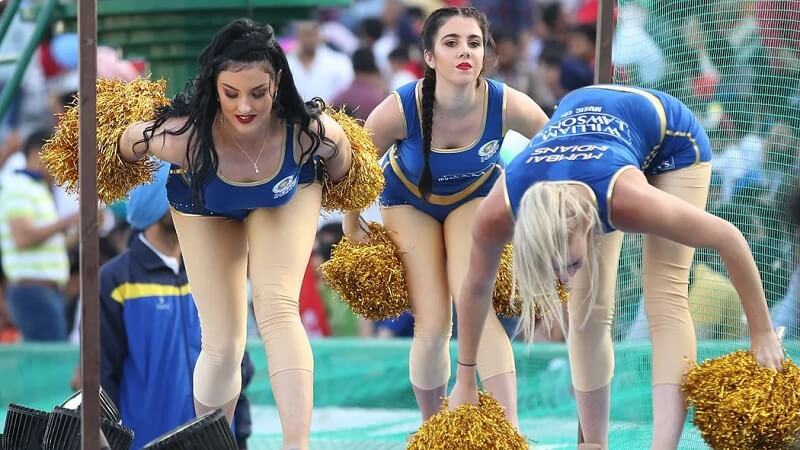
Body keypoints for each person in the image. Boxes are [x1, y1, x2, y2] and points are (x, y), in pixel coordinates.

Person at [448, 85, 785, 449]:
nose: (562, 277)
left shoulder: (625, 201)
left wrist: (762, 333)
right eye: (551, 268)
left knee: (665, 296)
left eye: (570, 264)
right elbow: (475, 288)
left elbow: (729, 238)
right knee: (584, 312)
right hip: (589, 127)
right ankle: (594, 444)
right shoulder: (497, 212)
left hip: (671, 141)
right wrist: (465, 379)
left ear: (586, 223)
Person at [118, 18, 355, 450]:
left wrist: (350, 215)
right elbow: (123, 144)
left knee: (278, 308)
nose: (245, 106)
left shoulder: (309, 133)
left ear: (277, 83)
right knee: (223, 342)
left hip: (286, 193)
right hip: (203, 200)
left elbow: (345, 161)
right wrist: (119, 149)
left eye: (258, 93)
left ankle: (297, 444)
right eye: (231, 94)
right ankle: (211, 444)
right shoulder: (181, 139)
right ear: (214, 87)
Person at [343, 7, 549, 424]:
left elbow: (554, 149)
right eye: (451, 43)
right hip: (407, 203)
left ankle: (509, 431)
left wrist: (546, 216)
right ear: (430, 56)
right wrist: (352, 227)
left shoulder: (506, 102)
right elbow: (355, 167)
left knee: (477, 310)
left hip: (473, 198)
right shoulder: (399, 108)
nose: (464, 52)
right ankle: (433, 428)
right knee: (434, 323)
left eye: (474, 43)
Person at [97, 163, 254, 450]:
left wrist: (240, 435)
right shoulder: (115, 279)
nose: (191, 198)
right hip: (146, 442)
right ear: (154, 203)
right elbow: (102, 374)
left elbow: (237, 363)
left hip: (215, 443)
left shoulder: (215, 269)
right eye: (179, 188)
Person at [0, 129, 77, 341]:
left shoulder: (37, 189)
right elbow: (22, 237)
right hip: (33, 291)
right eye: (57, 156)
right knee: (51, 358)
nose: (60, 165)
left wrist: (82, 229)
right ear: (37, 154)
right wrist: (67, 221)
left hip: (42, 291)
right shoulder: (18, 186)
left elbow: (46, 243)